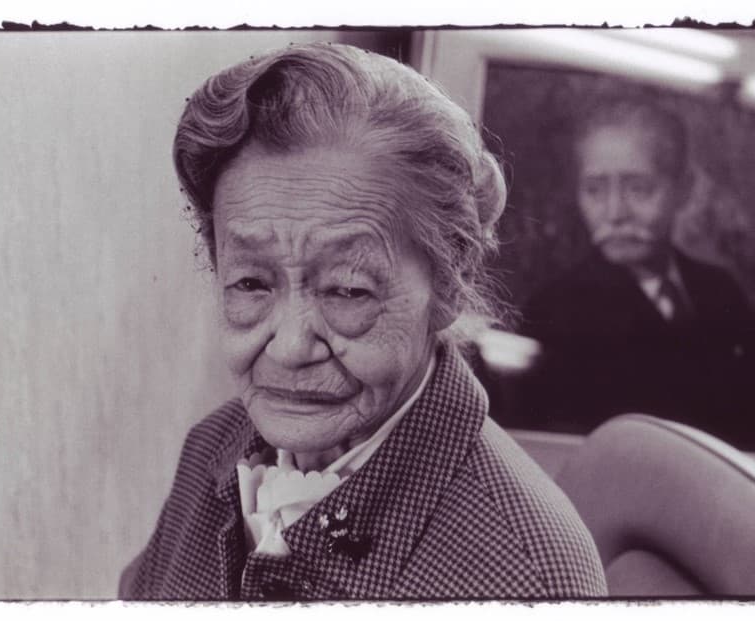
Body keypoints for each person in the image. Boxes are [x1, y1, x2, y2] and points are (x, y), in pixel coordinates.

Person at [118, 43, 606, 600]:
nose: (290, 347)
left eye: (348, 289)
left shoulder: (527, 575)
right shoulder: (215, 445)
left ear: (450, 283)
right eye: (251, 283)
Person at [508, 96, 755, 452]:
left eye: (639, 189)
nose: (615, 213)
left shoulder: (721, 292)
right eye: (595, 190)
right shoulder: (553, 312)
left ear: (683, 189)